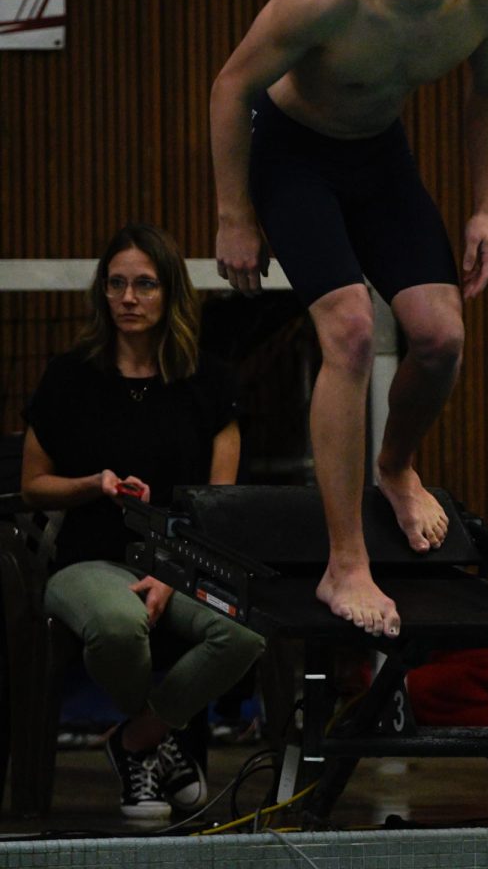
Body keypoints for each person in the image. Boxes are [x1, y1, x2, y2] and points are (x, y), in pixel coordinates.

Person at [211, 0, 488, 638]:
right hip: (292, 155)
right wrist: (234, 214)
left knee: (442, 339)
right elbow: (230, 85)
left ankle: (395, 465)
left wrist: (484, 210)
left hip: (379, 156)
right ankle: (345, 561)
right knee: (348, 332)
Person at [22, 223, 265, 820]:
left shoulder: (209, 381)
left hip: (180, 558)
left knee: (243, 634)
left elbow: (220, 500)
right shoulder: (70, 376)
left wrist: (174, 572)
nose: (129, 297)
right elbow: (32, 485)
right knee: (121, 624)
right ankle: (160, 740)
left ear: (170, 293)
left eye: (145, 285)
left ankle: (135, 742)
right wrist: (90, 484)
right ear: (103, 293)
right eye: (117, 284)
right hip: (87, 558)